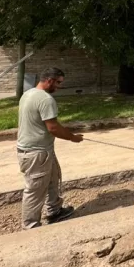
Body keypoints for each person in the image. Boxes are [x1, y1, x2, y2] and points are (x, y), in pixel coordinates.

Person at [16, 67, 83, 229]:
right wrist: (73, 138)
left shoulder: (29, 93)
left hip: (43, 150)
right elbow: (52, 128)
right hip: (35, 153)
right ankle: (30, 225)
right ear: (50, 80)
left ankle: (54, 211)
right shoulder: (46, 99)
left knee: (53, 178)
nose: (59, 87)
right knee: (35, 189)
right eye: (58, 83)